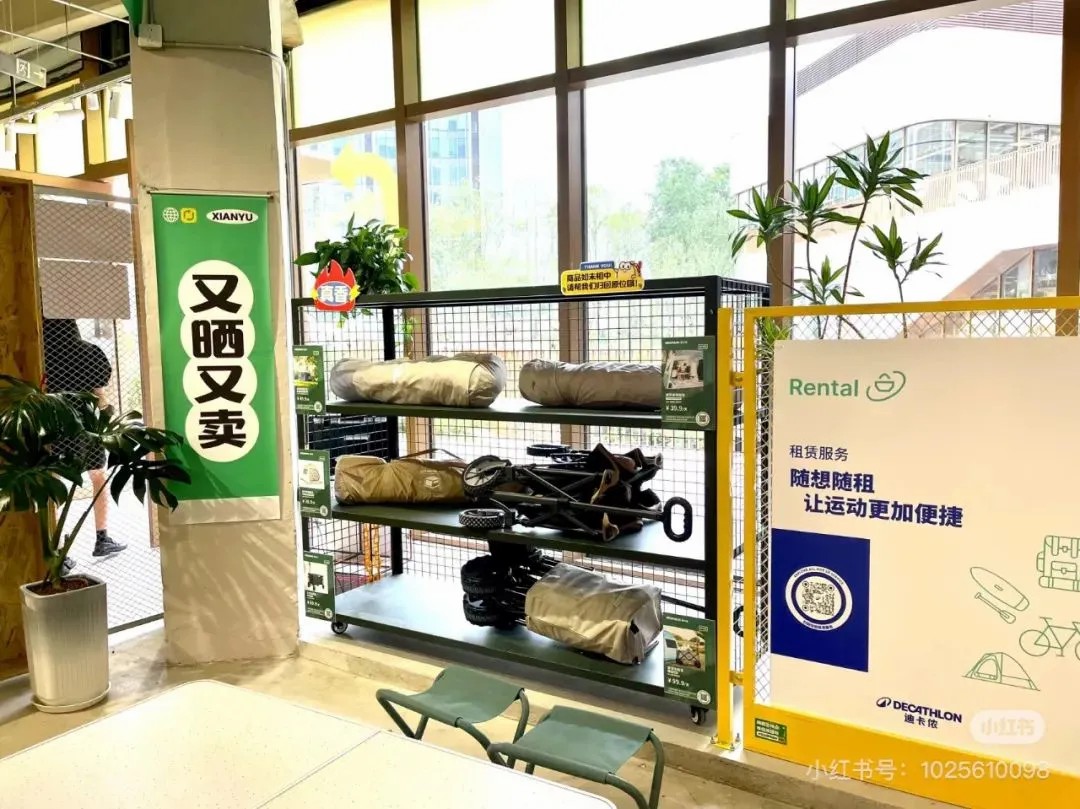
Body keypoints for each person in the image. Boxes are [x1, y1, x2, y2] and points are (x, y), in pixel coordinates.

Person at [42, 319, 128, 565]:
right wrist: (108, 417)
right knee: (98, 476)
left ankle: (58, 549)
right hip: (87, 426)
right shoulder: (90, 352)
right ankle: (102, 537)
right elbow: (100, 393)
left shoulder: (43, 357)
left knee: (54, 483)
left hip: (55, 426)